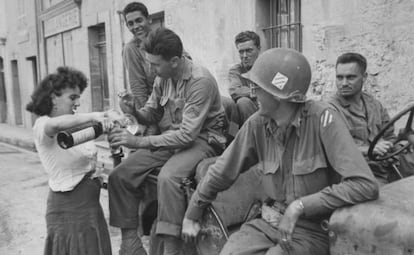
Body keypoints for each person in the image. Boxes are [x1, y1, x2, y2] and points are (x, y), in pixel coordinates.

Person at [181, 48, 379, 255]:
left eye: (258, 87)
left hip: (311, 229)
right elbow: (221, 171)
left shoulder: (324, 120)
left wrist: (300, 206)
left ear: (282, 95)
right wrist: (192, 213)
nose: (253, 93)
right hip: (267, 221)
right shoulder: (257, 123)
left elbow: (364, 184)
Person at [107, 27, 226, 255]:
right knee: (119, 175)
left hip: (203, 139)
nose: (151, 69)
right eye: (150, 63)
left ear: (174, 61)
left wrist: (139, 142)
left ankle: (171, 249)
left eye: (155, 64)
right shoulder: (163, 77)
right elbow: (151, 114)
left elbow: (187, 135)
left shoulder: (200, 81)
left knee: (169, 178)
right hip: (171, 139)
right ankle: (130, 242)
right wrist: (134, 109)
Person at [26, 66, 113, 255]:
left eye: (79, 96)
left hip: (90, 209)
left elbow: (89, 157)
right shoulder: (43, 125)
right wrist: (95, 115)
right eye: (72, 97)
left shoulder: (77, 123)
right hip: (67, 211)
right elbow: (56, 124)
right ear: (53, 99)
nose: (78, 102)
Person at [328, 52, 413, 184]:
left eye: (350, 77)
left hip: (384, 165)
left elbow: (389, 134)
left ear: (364, 77)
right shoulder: (330, 109)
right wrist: (368, 150)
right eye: (339, 77)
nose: (343, 83)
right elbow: (333, 148)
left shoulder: (374, 104)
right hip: (356, 173)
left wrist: (388, 146)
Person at [227, 31, 260, 126]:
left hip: (267, 112)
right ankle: (234, 137)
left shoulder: (269, 66)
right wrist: (260, 92)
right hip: (245, 114)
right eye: (241, 52)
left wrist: (248, 92)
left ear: (258, 49)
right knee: (238, 103)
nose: (244, 56)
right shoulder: (236, 70)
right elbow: (234, 91)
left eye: (249, 50)